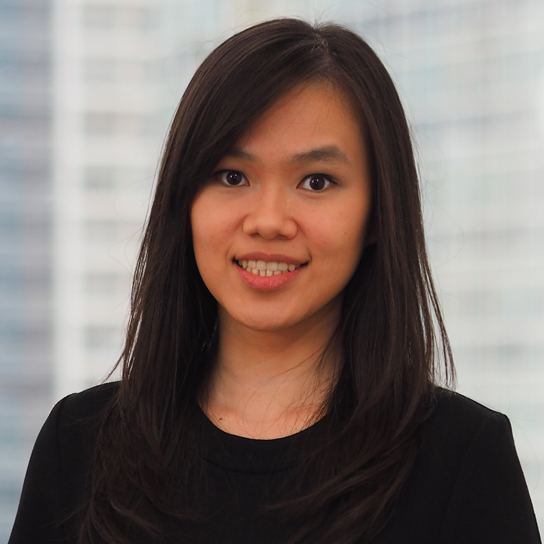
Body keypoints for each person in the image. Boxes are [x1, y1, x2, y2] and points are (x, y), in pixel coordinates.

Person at [9, 18, 541, 544]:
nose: (268, 221)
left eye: (316, 181)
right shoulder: (78, 445)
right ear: (184, 199)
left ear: (378, 213)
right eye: (232, 176)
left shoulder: (464, 459)